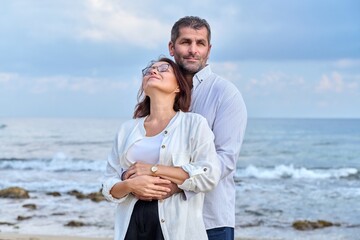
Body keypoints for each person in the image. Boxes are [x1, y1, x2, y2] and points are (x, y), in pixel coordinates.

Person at [102, 57, 221, 240]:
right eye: (149, 69)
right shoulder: (127, 129)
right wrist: (129, 185)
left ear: (178, 87)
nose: (153, 71)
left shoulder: (194, 124)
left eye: (163, 69)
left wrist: (153, 169)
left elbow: (209, 174)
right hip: (131, 226)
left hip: (176, 228)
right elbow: (108, 185)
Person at [167, 16, 248, 240]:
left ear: (209, 50)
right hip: (165, 218)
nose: (193, 50)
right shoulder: (159, 92)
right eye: (185, 42)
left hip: (210, 220)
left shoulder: (225, 94)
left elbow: (225, 160)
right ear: (172, 47)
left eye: (200, 43)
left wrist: (177, 184)